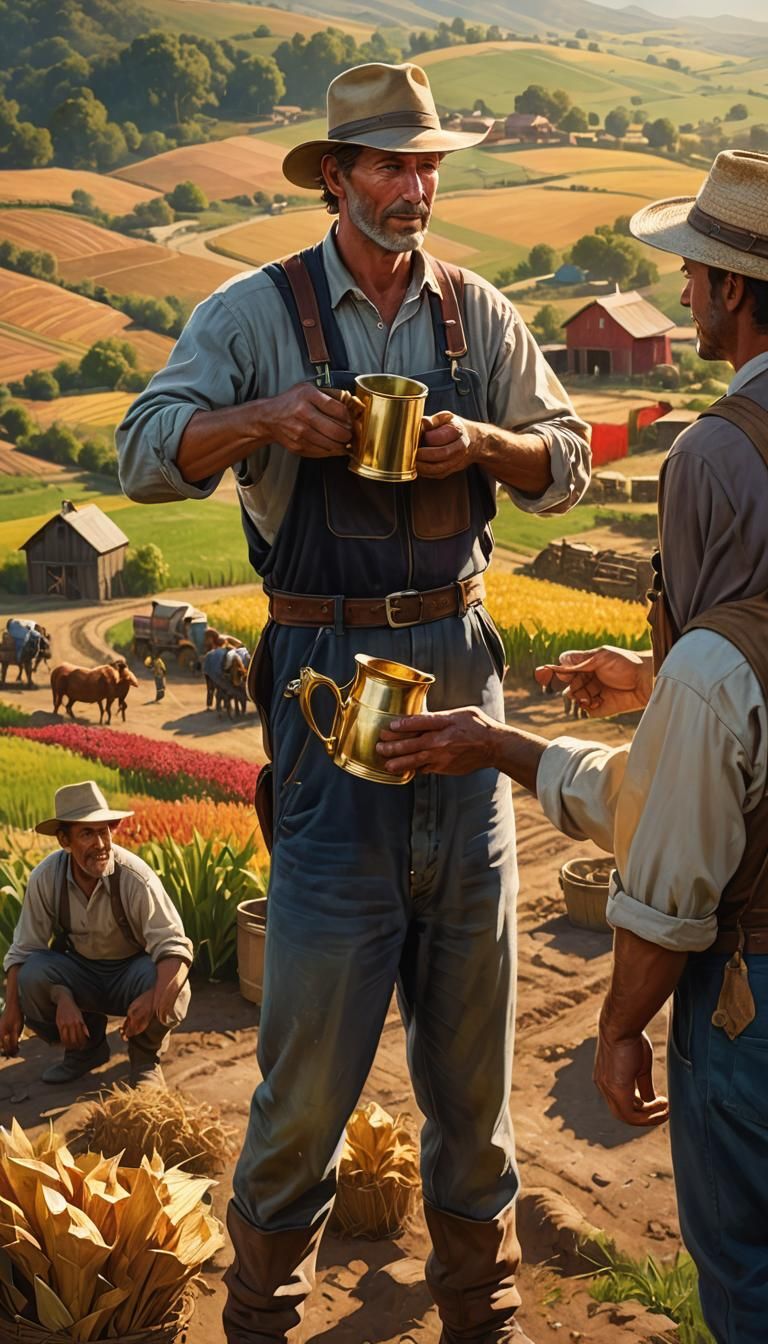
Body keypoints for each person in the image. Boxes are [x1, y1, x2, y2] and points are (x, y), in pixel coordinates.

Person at [117, 61, 590, 1344]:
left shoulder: (480, 316)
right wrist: (263, 418)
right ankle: (264, 1314)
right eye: (389, 164)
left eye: (427, 164)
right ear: (335, 177)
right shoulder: (251, 313)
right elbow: (143, 449)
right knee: (308, 1074)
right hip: (325, 708)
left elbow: (570, 464)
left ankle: (482, 1308)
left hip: (464, 703)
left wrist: (484, 444)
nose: (414, 186)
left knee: (474, 1066)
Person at [378, 149, 768, 1344]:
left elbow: (677, 845)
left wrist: (618, 1023)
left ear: (735, 289)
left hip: (752, 992)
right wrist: (661, 687)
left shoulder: (717, 457)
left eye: (695, 275)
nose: (685, 294)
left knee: (749, 1287)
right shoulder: (714, 674)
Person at [0, 781, 193, 1088]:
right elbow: (23, 951)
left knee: (174, 986)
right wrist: (16, 1008)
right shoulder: (46, 878)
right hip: (81, 972)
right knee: (31, 977)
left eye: (104, 831)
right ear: (64, 840)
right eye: (87, 834)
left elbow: (175, 947)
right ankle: (85, 1051)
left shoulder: (134, 877)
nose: (101, 844)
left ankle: (145, 1059)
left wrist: (153, 997)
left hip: (131, 973)